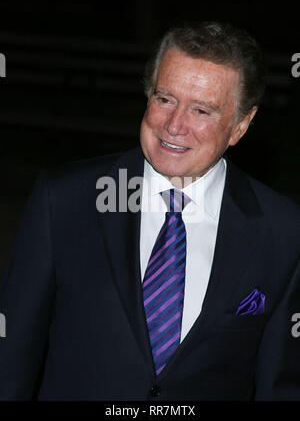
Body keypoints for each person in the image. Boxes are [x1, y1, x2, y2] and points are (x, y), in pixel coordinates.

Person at [0, 21, 299, 401]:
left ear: (240, 125)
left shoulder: (283, 232)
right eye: (164, 98)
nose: (174, 125)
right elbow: (10, 361)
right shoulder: (63, 201)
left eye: (201, 110)